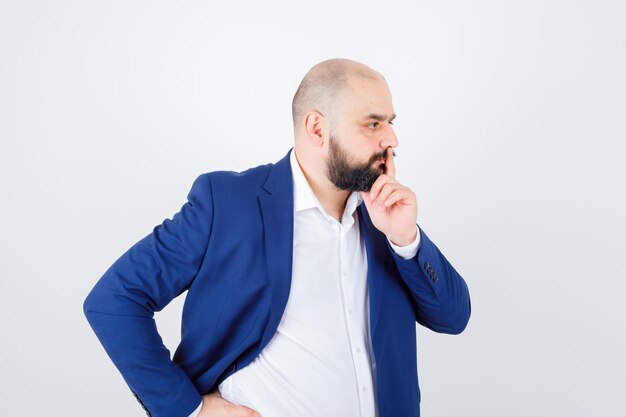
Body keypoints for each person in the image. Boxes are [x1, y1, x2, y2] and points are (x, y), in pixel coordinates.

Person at [83, 58, 471, 417]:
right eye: (373, 124)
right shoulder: (227, 203)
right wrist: (190, 410)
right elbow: (114, 300)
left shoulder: (382, 214)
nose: (391, 139)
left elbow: (454, 318)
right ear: (317, 128)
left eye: (390, 122)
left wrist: (406, 240)